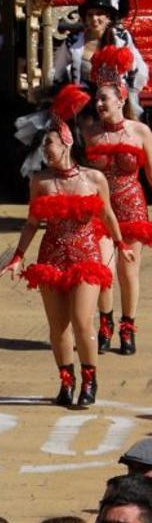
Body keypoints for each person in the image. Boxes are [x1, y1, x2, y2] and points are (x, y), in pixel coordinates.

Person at [1, 84, 129, 407]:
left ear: (67, 142)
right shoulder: (39, 182)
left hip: (85, 256)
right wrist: (18, 256)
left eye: (51, 143)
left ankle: (89, 380)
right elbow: (32, 223)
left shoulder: (93, 179)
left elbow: (108, 214)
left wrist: (119, 242)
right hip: (52, 257)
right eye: (44, 144)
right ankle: (66, 381)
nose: (46, 149)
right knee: (58, 327)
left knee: (83, 320)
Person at [80, 45, 152, 354]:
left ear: (121, 99)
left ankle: (128, 326)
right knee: (103, 270)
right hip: (99, 211)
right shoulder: (89, 132)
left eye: (104, 98)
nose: (98, 104)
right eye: (96, 98)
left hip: (131, 205)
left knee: (127, 270)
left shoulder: (141, 132)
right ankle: (106, 321)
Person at [52, 0, 150, 103]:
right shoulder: (72, 41)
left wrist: (129, 95)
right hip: (84, 106)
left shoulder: (122, 38)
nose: (94, 19)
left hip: (117, 103)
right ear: (85, 18)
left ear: (108, 17)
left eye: (99, 14)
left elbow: (138, 69)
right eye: (90, 15)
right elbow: (56, 73)